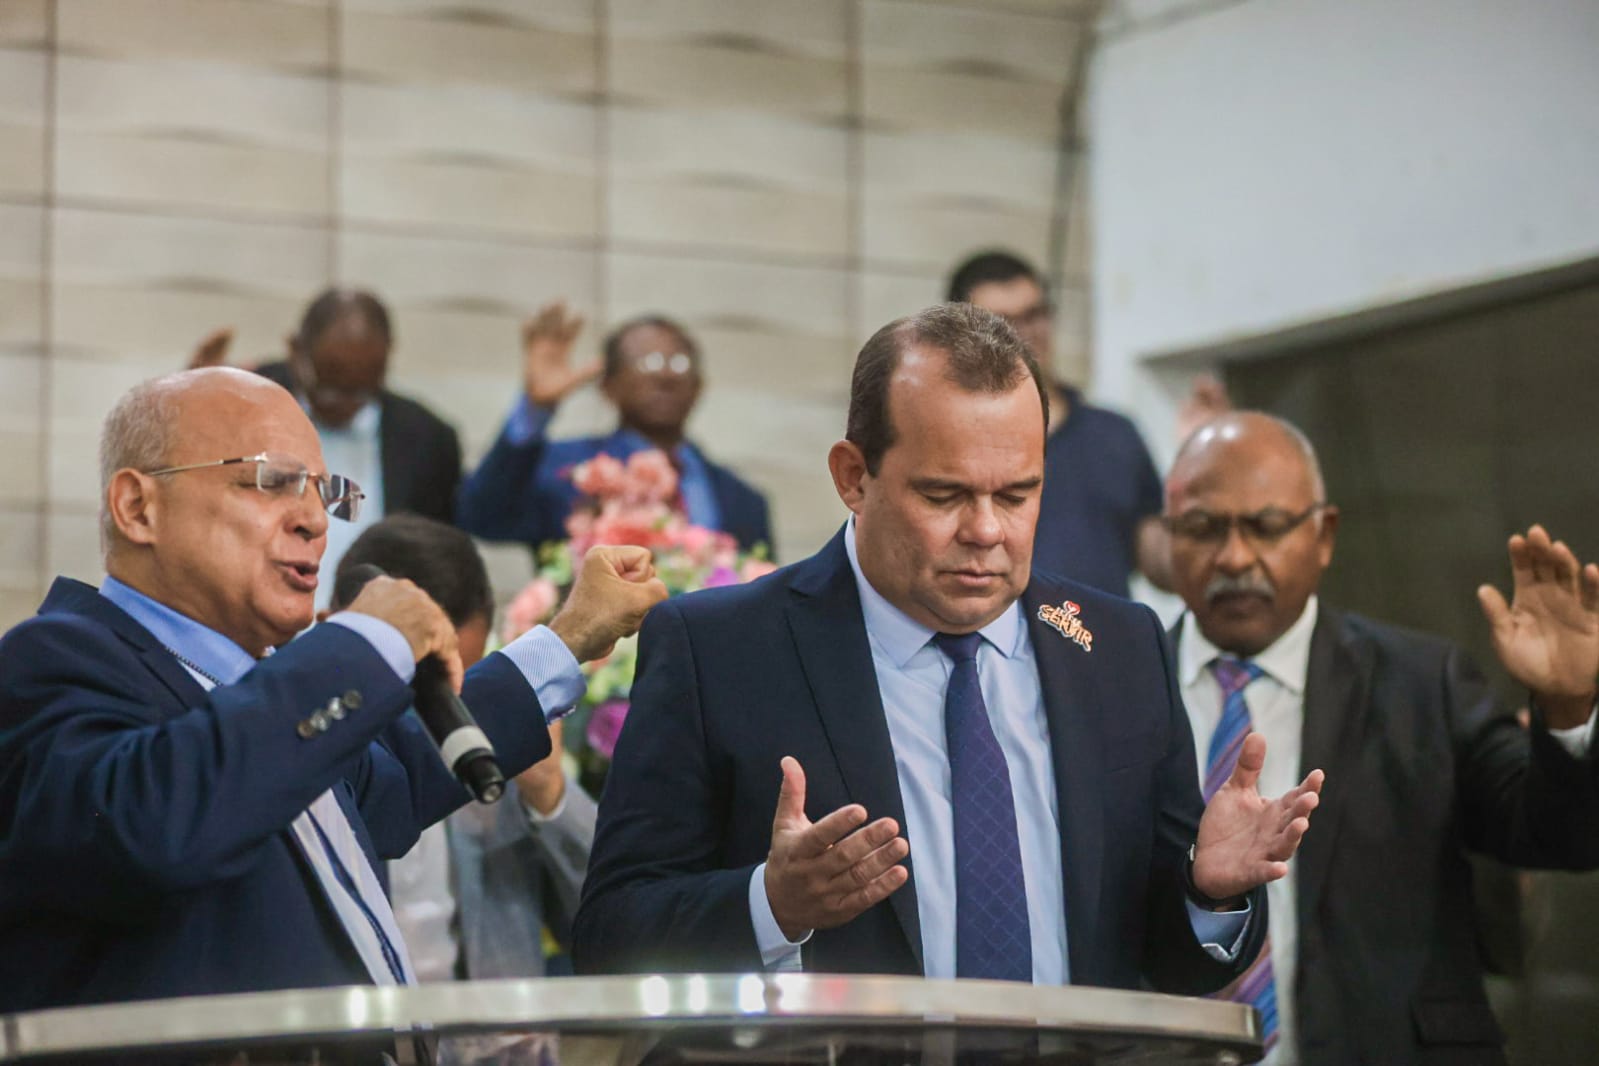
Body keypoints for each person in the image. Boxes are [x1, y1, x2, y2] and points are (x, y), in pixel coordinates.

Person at [573, 304, 1322, 995]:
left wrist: (1209, 890)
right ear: (852, 478)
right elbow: (611, 936)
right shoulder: (721, 649)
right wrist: (770, 904)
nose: (986, 531)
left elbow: (1162, 960)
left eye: (1016, 494)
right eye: (943, 495)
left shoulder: (1118, 649)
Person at [0, 367, 665, 1012]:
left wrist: (571, 635)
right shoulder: (50, 661)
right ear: (137, 506)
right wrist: (360, 643)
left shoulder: (268, 700)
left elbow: (398, 769)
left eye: (325, 492)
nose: (316, 521)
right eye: (271, 481)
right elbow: (156, 822)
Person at [1163, 411, 1599, 1065]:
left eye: (1265, 526)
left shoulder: (1421, 683)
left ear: (1323, 534)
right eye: (1202, 528)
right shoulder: (1120, 687)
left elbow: (1556, 834)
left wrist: (1568, 703)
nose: (1233, 556)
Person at [330, 514, 596, 982]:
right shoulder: (305, 754)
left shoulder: (497, 738)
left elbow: (610, 927)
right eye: (409, 685)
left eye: (460, 688)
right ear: (334, 633)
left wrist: (550, 794)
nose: (438, 719)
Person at [948, 251, 1230, 598]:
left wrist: (1208, 467)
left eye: (1035, 315)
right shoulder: (950, 440)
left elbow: (1168, 568)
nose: (1026, 334)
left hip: (1102, 646)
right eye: (1003, 321)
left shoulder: (1114, 435)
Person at [191, 288, 465, 609]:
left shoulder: (428, 439)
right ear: (296, 350)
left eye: (361, 392)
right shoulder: (246, 400)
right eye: (331, 389)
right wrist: (197, 409)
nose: (346, 405)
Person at [455, 302, 772, 555]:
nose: (665, 376)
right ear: (607, 385)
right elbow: (482, 517)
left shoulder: (743, 499)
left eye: (679, 363)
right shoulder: (567, 470)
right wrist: (535, 411)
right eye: (646, 362)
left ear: (699, 386)